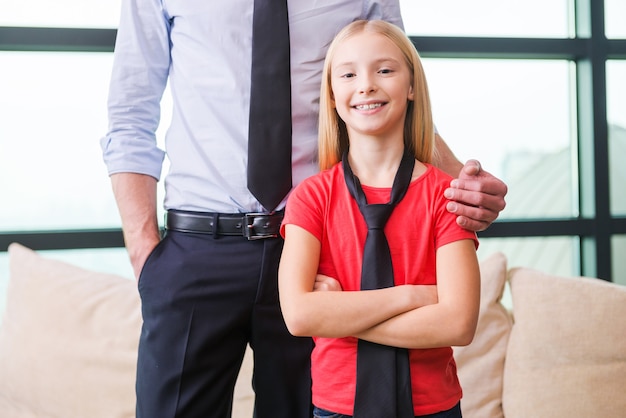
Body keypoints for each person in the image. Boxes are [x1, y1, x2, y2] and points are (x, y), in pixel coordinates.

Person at [100, 1, 506, 417]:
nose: (365, 82)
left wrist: (462, 183)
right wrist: (145, 254)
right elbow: (130, 112)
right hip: (196, 249)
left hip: (317, 254)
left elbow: (388, 75)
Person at [278, 19, 480, 418]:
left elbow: (458, 323)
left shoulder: (445, 196)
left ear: (411, 87)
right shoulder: (311, 198)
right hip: (337, 408)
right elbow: (299, 315)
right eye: (349, 74)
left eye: (384, 70)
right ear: (333, 96)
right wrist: (411, 297)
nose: (366, 84)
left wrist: (340, 313)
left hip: (433, 408)